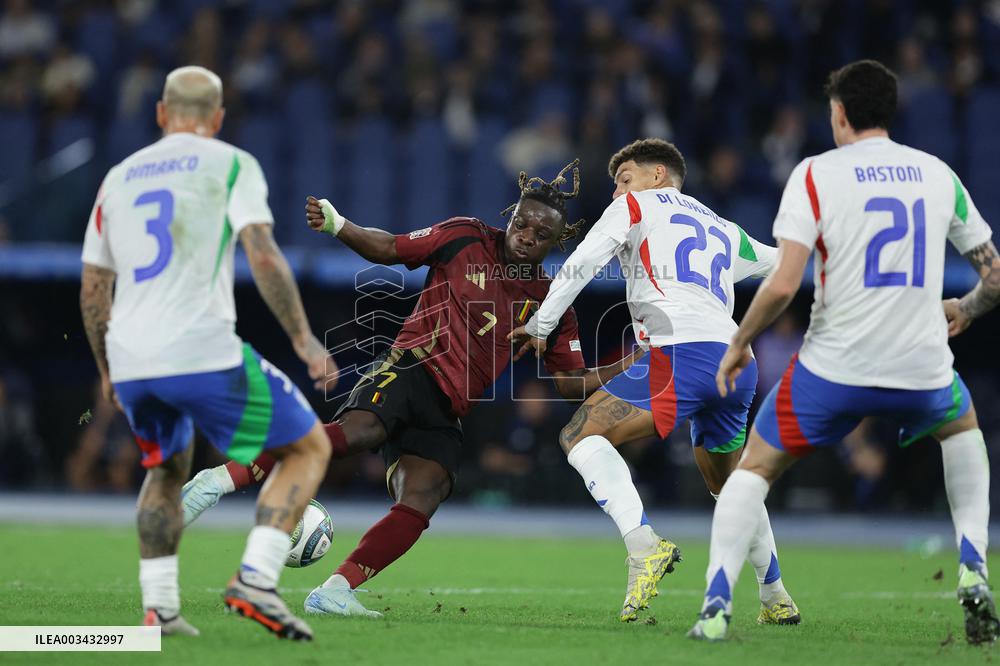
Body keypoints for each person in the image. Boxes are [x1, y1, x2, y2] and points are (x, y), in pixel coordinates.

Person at [181, 161, 643, 617]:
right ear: (511, 216)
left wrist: (633, 359)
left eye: (541, 235)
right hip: (410, 366)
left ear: (558, 243)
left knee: (426, 492)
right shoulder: (465, 236)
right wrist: (339, 224)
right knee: (359, 432)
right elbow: (390, 248)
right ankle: (216, 481)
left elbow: (569, 384)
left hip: (448, 407)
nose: (526, 236)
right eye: (521, 223)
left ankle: (336, 590)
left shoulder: (552, 301)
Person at [688, 60, 1000, 644]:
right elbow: (996, 277)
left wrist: (739, 341)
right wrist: (967, 307)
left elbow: (782, 283)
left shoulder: (815, 175)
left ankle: (715, 606)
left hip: (834, 366)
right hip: (921, 363)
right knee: (963, 432)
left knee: (754, 468)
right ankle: (974, 568)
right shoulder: (938, 176)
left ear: (839, 114)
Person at [80, 66, 335, 641]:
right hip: (198, 347)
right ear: (217, 119)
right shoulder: (231, 162)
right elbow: (263, 252)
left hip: (132, 356)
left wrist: (105, 368)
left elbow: (94, 287)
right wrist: (301, 338)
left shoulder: (117, 179)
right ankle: (257, 579)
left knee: (166, 469)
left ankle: (160, 610)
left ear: (160, 114)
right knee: (307, 448)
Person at [510, 138, 798, 624]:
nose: (617, 192)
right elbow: (786, 262)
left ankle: (644, 548)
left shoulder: (636, 206)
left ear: (658, 174)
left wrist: (541, 324)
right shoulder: (725, 229)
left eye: (623, 179)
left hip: (681, 352)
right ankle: (775, 597)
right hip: (737, 361)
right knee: (730, 486)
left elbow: (582, 262)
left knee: (580, 434)